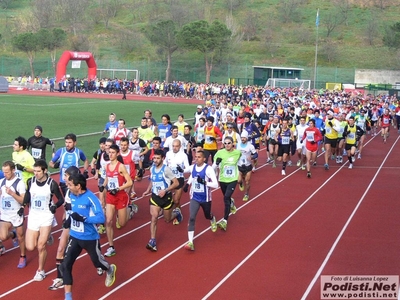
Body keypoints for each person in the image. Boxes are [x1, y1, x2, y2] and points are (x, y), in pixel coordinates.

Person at [61, 173, 117, 300]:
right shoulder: (71, 194)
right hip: (74, 236)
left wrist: (84, 219)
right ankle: (68, 297)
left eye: (70, 185)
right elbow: (72, 211)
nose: (67, 186)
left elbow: (101, 217)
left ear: (78, 186)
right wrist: (69, 220)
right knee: (66, 264)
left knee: (97, 262)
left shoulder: (91, 198)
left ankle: (109, 269)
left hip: (90, 238)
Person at [21, 159, 64, 281]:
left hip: (46, 215)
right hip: (33, 215)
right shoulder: (31, 181)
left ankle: (40, 270)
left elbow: (60, 199)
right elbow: (28, 195)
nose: (36, 173)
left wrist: (55, 206)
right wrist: (23, 207)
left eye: (38, 171)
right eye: (34, 171)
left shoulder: (51, 184)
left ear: (45, 171)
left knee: (41, 246)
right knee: (30, 246)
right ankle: (48, 235)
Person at [142, 149, 182, 252]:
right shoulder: (152, 169)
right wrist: (147, 190)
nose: (155, 160)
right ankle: (152, 240)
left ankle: (176, 212)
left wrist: (165, 190)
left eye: (157, 158)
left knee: (167, 219)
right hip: (155, 197)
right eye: (154, 158)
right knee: (154, 217)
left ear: (163, 159)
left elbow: (176, 183)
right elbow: (152, 180)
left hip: (166, 198)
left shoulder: (166, 170)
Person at [48, 166, 80, 291]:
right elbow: (67, 206)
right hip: (69, 223)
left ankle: (101, 264)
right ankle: (60, 278)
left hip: (81, 225)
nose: (64, 178)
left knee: (91, 250)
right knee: (61, 248)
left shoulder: (81, 191)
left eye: (66, 176)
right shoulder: (67, 191)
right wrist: (64, 215)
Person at [182, 150, 219, 251]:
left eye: (199, 157)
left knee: (207, 215)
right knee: (192, 217)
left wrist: (204, 182)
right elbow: (190, 174)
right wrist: (187, 184)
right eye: (195, 157)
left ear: (204, 159)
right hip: (194, 197)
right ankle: (190, 242)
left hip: (205, 198)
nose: (196, 159)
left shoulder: (208, 169)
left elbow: (216, 185)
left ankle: (212, 218)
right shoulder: (193, 167)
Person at [101, 144, 133, 257]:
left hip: (120, 196)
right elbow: (107, 178)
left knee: (122, 223)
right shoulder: (107, 166)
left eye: (113, 152)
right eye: (109, 152)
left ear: (117, 154)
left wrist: (118, 188)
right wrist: (103, 185)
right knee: (109, 221)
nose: (110, 154)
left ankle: (130, 209)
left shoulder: (121, 167)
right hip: (110, 196)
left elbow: (129, 182)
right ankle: (111, 247)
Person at [0, 161, 27, 268]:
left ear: (13, 170)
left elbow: (23, 200)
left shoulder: (19, 183)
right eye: (3, 172)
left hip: (16, 214)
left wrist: (12, 193)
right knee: (3, 236)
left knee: (21, 237)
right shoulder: (2, 182)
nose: (5, 174)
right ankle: (13, 234)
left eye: (7, 172)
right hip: (5, 214)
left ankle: (23, 256)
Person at [212, 136, 241, 231]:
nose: (227, 145)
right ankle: (231, 203)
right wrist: (216, 163)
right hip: (222, 179)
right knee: (227, 198)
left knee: (226, 198)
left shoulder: (237, 153)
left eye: (229, 143)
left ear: (233, 143)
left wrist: (240, 174)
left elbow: (240, 163)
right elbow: (213, 167)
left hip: (233, 180)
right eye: (225, 143)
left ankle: (225, 220)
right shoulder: (219, 153)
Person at [165, 139, 190, 224]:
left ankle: (178, 212)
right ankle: (171, 211)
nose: (174, 148)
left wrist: (182, 170)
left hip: (179, 179)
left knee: (176, 200)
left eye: (176, 146)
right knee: (167, 198)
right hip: (170, 179)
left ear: (180, 146)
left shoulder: (183, 155)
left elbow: (188, 169)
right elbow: (165, 164)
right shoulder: (168, 154)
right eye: (173, 146)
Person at [236, 131, 258, 201]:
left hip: (248, 166)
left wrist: (252, 157)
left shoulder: (250, 146)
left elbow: (256, 154)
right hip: (239, 165)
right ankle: (240, 183)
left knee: (247, 181)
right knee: (238, 180)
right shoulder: (238, 145)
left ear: (247, 138)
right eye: (242, 137)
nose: (242, 139)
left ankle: (246, 194)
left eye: (244, 138)